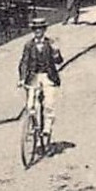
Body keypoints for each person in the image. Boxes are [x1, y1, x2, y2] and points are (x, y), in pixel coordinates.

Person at [18, 18, 64, 154]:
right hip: (33, 77)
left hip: (48, 77)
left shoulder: (50, 43)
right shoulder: (28, 45)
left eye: (40, 29)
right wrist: (21, 79)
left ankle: (47, 131)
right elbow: (24, 62)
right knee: (32, 106)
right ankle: (34, 128)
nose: (37, 32)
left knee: (49, 105)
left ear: (44, 30)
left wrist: (56, 52)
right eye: (35, 29)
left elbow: (59, 61)